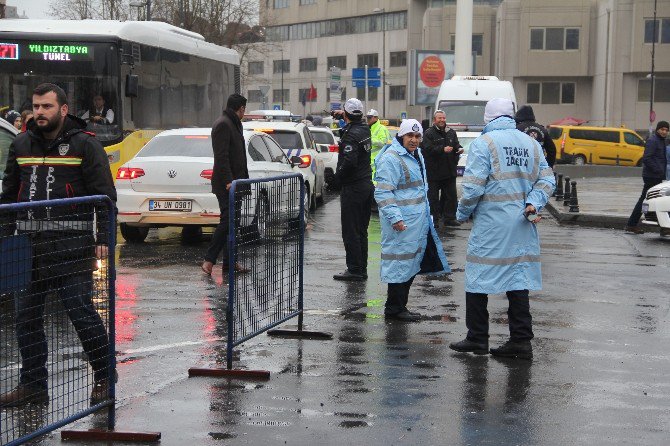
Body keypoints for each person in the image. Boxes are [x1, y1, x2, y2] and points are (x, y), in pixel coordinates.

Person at [0, 83, 117, 407]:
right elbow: (9, 194)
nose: (39, 112)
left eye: (46, 107)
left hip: (70, 246)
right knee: (25, 320)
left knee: (81, 314)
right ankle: (33, 385)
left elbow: (106, 197)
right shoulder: (21, 143)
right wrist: (6, 236)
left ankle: (105, 377)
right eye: (36, 106)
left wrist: (103, 239)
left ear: (63, 110)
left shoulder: (85, 145)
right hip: (26, 247)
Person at [449, 98, 555, 359]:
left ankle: (477, 337)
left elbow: (472, 187)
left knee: (477, 279)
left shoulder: (483, 144)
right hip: (521, 223)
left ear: (488, 119)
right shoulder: (531, 143)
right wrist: (533, 203)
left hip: (492, 225)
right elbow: (547, 179)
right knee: (518, 281)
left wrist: (461, 213)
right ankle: (521, 341)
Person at [374, 119, 450, 321]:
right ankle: (394, 309)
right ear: (401, 136)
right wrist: (395, 218)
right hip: (401, 224)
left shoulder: (415, 155)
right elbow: (383, 193)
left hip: (416, 222)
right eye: (410, 136)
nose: (414, 140)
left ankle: (400, 307)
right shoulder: (391, 159)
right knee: (399, 265)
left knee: (409, 264)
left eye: (417, 137)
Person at [202, 94, 250, 275]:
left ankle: (230, 263)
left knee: (233, 224)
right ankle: (209, 260)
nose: (245, 112)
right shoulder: (223, 124)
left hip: (237, 183)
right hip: (227, 185)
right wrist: (229, 181)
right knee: (227, 221)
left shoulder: (235, 123)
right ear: (241, 108)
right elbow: (221, 157)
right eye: (244, 109)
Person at [332, 98, 374, 281]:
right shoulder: (364, 129)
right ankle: (361, 268)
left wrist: (336, 179)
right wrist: (344, 115)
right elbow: (353, 122)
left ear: (347, 114)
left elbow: (349, 162)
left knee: (351, 230)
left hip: (353, 188)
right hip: (366, 185)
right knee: (362, 230)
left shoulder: (350, 135)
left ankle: (355, 269)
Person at [624, 121, 669, 234]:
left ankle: (664, 227)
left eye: (666, 130)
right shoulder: (653, 141)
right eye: (662, 129)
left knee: (656, 200)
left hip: (657, 176)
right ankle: (631, 224)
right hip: (652, 176)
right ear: (657, 129)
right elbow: (647, 158)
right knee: (645, 200)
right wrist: (658, 170)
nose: (664, 131)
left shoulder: (661, 141)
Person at [421, 109, 463, 228]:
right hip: (434, 172)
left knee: (451, 196)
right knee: (433, 198)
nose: (442, 120)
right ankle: (433, 220)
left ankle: (449, 218)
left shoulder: (451, 132)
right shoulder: (429, 133)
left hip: (449, 171)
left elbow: (456, 144)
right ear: (435, 120)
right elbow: (427, 149)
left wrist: (459, 148)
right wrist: (442, 149)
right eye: (440, 118)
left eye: (443, 118)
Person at [367, 109, 390, 179]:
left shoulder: (382, 128)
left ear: (376, 118)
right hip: (369, 161)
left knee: (376, 180)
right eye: (367, 117)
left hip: (378, 161)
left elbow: (383, 143)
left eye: (370, 117)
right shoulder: (369, 128)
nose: (368, 119)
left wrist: (370, 139)